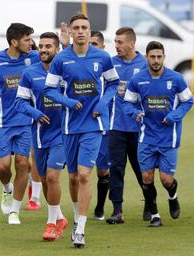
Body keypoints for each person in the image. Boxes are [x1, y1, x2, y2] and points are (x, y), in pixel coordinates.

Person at [45, 14, 119, 248]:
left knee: (87, 175)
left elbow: (114, 84)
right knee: (75, 177)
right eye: (76, 28)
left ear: (89, 31)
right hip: (69, 126)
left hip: (93, 125)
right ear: (72, 32)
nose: (80, 31)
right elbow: (50, 89)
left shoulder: (103, 57)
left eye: (84, 27)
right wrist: (66, 102)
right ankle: (76, 217)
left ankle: (81, 229)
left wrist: (102, 102)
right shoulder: (61, 60)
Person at [15, 32, 78, 241]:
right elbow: (20, 102)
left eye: (48, 46)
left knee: (52, 177)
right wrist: (35, 113)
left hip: (62, 134)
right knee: (44, 180)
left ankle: (51, 225)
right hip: (40, 136)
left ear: (57, 50)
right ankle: (59, 217)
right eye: (40, 46)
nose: (43, 50)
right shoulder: (29, 73)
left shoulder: (68, 72)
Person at [124, 41, 193, 227]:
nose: (156, 60)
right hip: (146, 137)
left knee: (166, 179)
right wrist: (134, 112)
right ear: (146, 57)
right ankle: (155, 215)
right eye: (152, 57)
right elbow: (127, 103)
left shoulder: (176, 78)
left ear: (164, 57)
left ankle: (173, 195)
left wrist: (174, 115)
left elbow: (188, 101)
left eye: (159, 56)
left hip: (168, 138)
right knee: (146, 178)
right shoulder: (138, 80)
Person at [0, 23, 40, 225]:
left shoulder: (33, 57)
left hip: (25, 121)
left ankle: (14, 211)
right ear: (14, 42)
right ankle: (7, 188)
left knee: (22, 164)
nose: (31, 43)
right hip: (2, 121)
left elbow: (53, 59)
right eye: (27, 39)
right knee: (3, 167)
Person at [106, 27, 150, 224]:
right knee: (116, 168)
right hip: (116, 126)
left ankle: (150, 204)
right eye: (115, 42)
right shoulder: (111, 64)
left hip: (139, 128)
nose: (116, 46)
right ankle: (117, 210)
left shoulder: (145, 64)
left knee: (142, 169)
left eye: (120, 42)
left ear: (132, 43)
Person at [89, 31, 111, 221]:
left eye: (95, 44)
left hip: (104, 127)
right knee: (80, 171)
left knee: (103, 170)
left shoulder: (108, 68)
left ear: (103, 48)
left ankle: (100, 207)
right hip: (78, 127)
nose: (92, 47)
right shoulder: (79, 66)